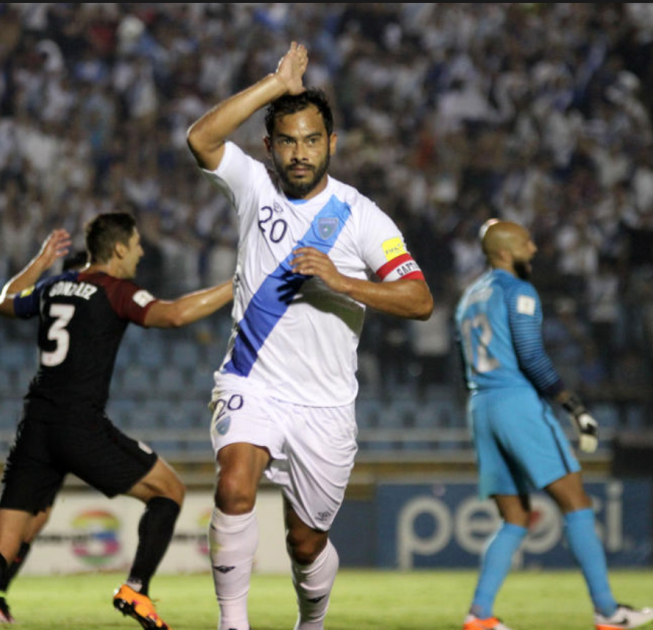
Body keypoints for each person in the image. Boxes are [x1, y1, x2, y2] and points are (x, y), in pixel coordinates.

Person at [186, 42, 434, 630]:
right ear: (270, 147)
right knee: (236, 483)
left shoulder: (361, 217)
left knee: (305, 543)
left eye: (312, 140)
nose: (301, 154)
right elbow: (201, 138)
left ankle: (312, 622)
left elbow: (420, 300)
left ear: (332, 143)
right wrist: (275, 85)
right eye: (288, 142)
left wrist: (341, 279)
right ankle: (232, 623)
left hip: (325, 404)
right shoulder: (253, 187)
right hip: (251, 381)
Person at [0, 212, 233, 630]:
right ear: (118, 249)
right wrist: (236, 284)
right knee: (168, 491)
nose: (141, 250)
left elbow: (4, 301)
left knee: (1, 546)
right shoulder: (115, 290)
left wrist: (42, 262)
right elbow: (173, 315)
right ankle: (136, 588)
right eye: (136, 243)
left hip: (36, 427)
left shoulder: (54, 285)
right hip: (78, 424)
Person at [454, 219, 653, 630]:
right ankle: (608, 612)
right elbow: (531, 356)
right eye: (527, 242)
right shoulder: (519, 290)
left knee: (514, 518)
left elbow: (464, 367)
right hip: (516, 402)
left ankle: (479, 615)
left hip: (480, 406)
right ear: (506, 251)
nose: (534, 248)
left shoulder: (467, 298)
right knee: (576, 503)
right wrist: (572, 405)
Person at [0, 246, 89, 625]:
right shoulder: (89, 297)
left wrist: (40, 266)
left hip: (53, 417)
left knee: (36, 516)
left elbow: (7, 301)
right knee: (24, 518)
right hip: (57, 420)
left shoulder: (53, 294)